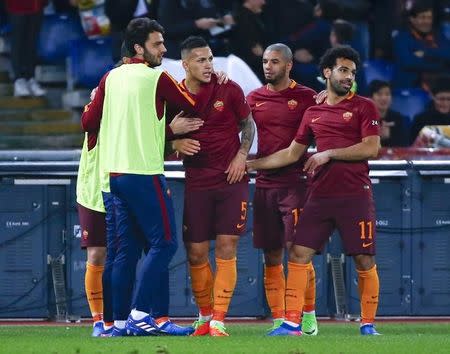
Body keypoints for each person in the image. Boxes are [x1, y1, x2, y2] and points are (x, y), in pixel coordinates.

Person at [81, 18, 210, 337]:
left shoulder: (110, 78)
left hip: (113, 175)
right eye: (157, 44)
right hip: (143, 172)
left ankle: (115, 323)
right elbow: (193, 105)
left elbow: (88, 122)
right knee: (164, 244)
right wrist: (198, 80)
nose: (163, 49)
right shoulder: (157, 78)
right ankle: (142, 314)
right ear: (139, 48)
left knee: (123, 252)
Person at [247, 46, 381, 336]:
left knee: (363, 258)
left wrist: (328, 153)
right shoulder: (313, 111)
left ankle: (368, 324)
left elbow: (372, 147)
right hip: (319, 197)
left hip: (355, 194)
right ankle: (293, 322)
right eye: (343, 70)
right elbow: (293, 153)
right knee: (298, 254)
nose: (349, 77)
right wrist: (252, 164)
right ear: (327, 72)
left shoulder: (363, 106)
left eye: (353, 72)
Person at [171, 36, 255, 337]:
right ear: (185, 64)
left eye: (210, 59)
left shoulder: (228, 88)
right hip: (196, 182)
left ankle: (219, 318)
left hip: (231, 180)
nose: (208, 65)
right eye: (201, 60)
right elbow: (156, 135)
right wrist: (174, 140)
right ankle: (204, 316)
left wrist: (241, 156)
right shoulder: (173, 95)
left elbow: (248, 124)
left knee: (226, 246)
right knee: (194, 251)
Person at [246, 43, 318, 335]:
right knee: (271, 255)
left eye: (274, 62)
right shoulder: (253, 98)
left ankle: (307, 316)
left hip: (296, 184)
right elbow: (234, 125)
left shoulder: (307, 97)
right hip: (264, 185)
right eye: (265, 61)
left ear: (289, 66)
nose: (268, 66)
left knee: (297, 252)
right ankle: (279, 320)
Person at [392, 1, 450, 89]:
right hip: (412, 85)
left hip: (441, 86)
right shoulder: (402, 38)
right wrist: (441, 65)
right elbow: (409, 63)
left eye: (429, 18)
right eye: (422, 17)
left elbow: (448, 54)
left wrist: (425, 53)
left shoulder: (438, 36)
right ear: (412, 19)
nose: (427, 21)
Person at [5, 0, 47, 97]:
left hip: (36, 4)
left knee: (32, 41)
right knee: (18, 40)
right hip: (17, 5)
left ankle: (30, 78)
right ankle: (18, 79)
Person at [368, 80, 409, 147]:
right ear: (370, 99)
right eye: (379, 94)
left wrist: (387, 138)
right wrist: (380, 138)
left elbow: (403, 146)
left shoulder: (398, 119)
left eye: (387, 94)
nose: (384, 98)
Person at [410, 77, 450, 144]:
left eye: (449, 99)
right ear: (433, 97)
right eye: (441, 99)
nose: (445, 103)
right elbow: (413, 146)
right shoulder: (420, 119)